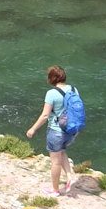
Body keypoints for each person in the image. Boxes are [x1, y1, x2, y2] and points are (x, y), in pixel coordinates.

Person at [27, 65, 83, 196]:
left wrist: (33, 129)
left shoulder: (51, 93)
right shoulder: (74, 89)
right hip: (71, 130)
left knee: (55, 161)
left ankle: (55, 190)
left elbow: (45, 115)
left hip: (56, 131)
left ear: (52, 78)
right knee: (62, 151)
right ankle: (70, 176)